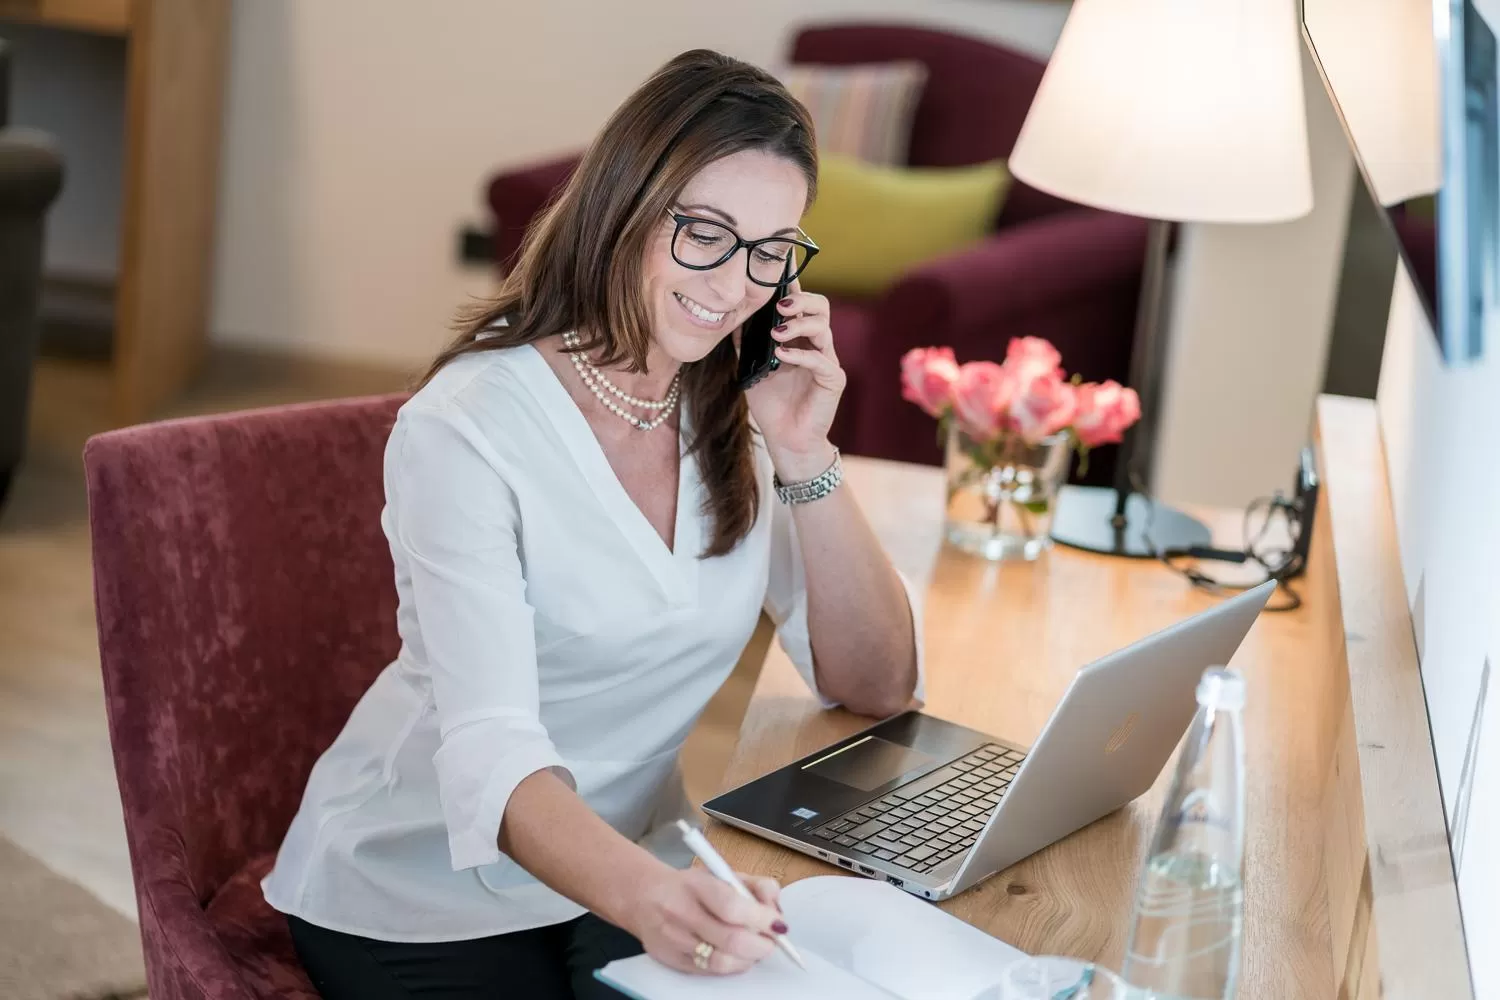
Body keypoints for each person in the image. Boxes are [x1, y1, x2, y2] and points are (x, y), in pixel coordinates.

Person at [262, 48, 922, 999]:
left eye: (772, 250)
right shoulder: (467, 428)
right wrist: (651, 898)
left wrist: (808, 456)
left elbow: (876, 682)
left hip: (625, 865)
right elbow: (492, 749)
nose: (737, 284)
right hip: (422, 894)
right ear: (625, 207)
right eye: (705, 231)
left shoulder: (734, 403)